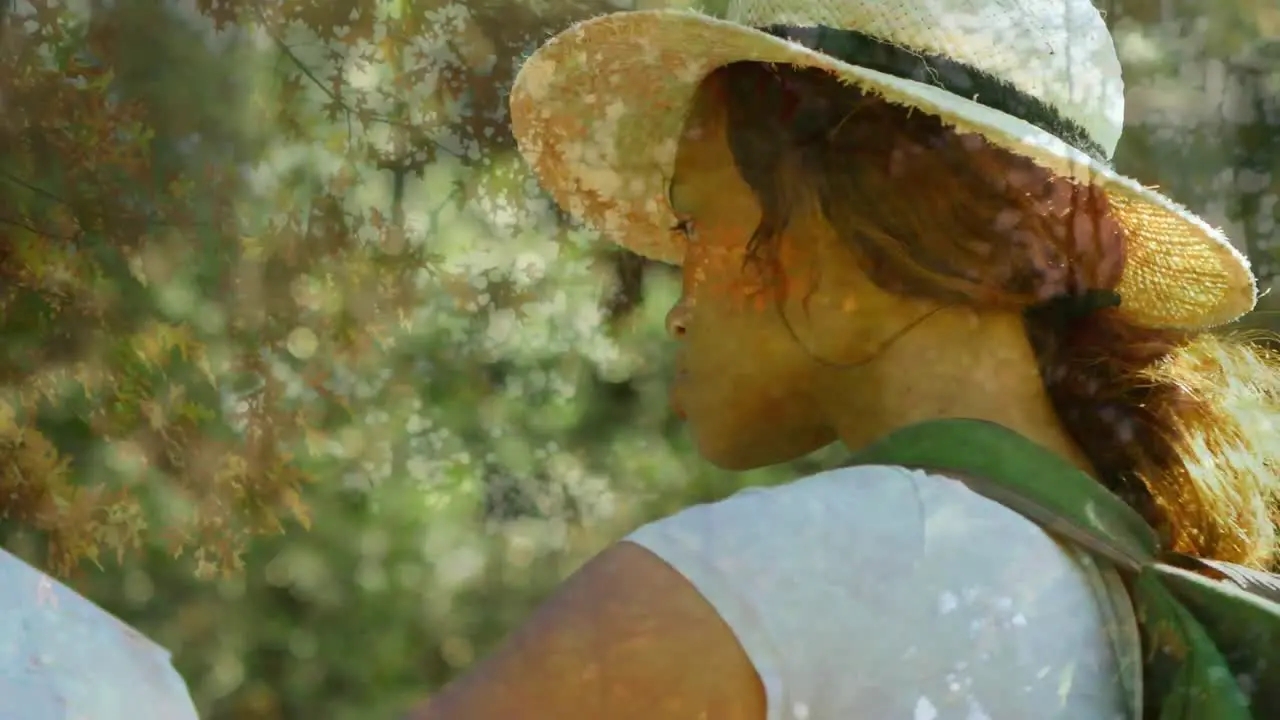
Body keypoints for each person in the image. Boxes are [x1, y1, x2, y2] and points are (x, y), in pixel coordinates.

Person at [414, 0, 1278, 718]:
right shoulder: (1121, 590)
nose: (678, 306)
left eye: (694, 225)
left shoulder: (769, 579)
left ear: (829, 242)